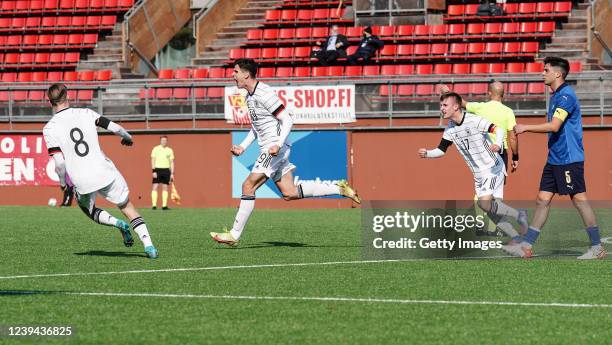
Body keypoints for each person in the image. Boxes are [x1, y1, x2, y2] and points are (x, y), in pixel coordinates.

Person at [210, 58, 361, 247]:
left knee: (248, 186)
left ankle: (234, 235)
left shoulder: (264, 93)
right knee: (289, 193)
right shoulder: (249, 97)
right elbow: (257, 128)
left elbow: (287, 120)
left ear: (246, 74)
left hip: (274, 149)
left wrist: (278, 145)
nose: (233, 75)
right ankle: (339, 188)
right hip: (273, 148)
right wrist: (243, 146)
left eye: (235, 71)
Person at [43, 83, 158, 259]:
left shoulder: (49, 128)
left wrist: (62, 183)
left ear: (49, 101)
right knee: (127, 206)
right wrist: (127, 137)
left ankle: (117, 223)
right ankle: (149, 246)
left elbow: (59, 163)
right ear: (68, 96)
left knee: (88, 210)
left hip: (82, 179)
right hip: (105, 170)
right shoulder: (87, 113)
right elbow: (115, 128)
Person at [507, 56, 606, 259]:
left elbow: (554, 126)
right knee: (542, 199)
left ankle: (597, 248)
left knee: (579, 200)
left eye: (545, 70)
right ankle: (526, 246)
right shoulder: (555, 95)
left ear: (557, 74)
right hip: (554, 159)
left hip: (569, 159)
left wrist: (525, 127)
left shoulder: (566, 96)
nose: (542, 73)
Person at [418, 92, 528, 244]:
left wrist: (497, 143)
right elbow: (441, 151)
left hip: (492, 168)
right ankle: (517, 238)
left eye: (445, 105)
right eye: (441, 105)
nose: (441, 108)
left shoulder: (473, 120)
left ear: (456, 107)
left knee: (484, 204)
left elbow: (498, 129)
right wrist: (428, 153)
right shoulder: (449, 129)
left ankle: (518, 215)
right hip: (478, 174)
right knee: (490, 211)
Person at [440, 82, 519, 175]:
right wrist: (515, 157)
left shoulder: (480, 107)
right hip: (500, 152)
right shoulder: (508, 111)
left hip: (483, 153)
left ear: (489, 93)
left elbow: (460, 102)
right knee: (497, 185)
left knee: (483, 184)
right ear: (503, 94)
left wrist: (449, 92)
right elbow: (513, 138)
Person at [151, 135, 175, 210]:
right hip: (157, 169)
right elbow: (153, 160)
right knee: (155, 186)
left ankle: (164, 206)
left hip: (166, 170)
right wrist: (153, 171)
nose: (164, 142)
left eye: (165, 140)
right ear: (160, 141)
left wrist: (172, 173)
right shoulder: (155, 149)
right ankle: (154, 205)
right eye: (162, 140)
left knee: (165, 187)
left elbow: (172, 162)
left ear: (167, 141)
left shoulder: (170, 150)